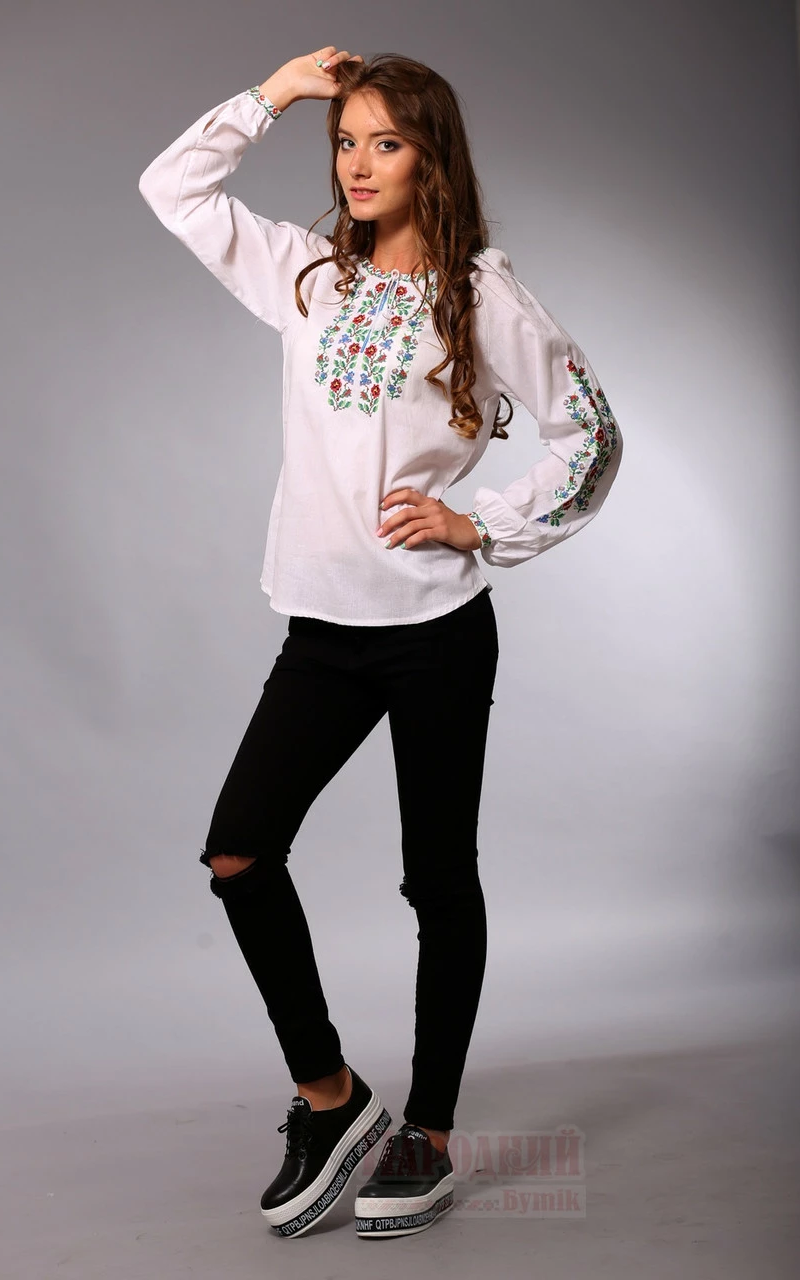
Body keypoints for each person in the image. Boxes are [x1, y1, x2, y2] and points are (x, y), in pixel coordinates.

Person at [138, 46, 623, 1241]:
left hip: (435, 631)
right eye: (344, 141)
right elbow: (171, 188)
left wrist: (481, 523)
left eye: (385, 143)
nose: (357, 165)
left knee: (436, 880)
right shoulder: (305, 277)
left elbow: (589, 432)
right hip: (321, 629)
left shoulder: (479, 293)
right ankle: (335, 1098)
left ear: (430, 157)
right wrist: (273, 94)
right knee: (239, 851)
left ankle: (432, 1135)